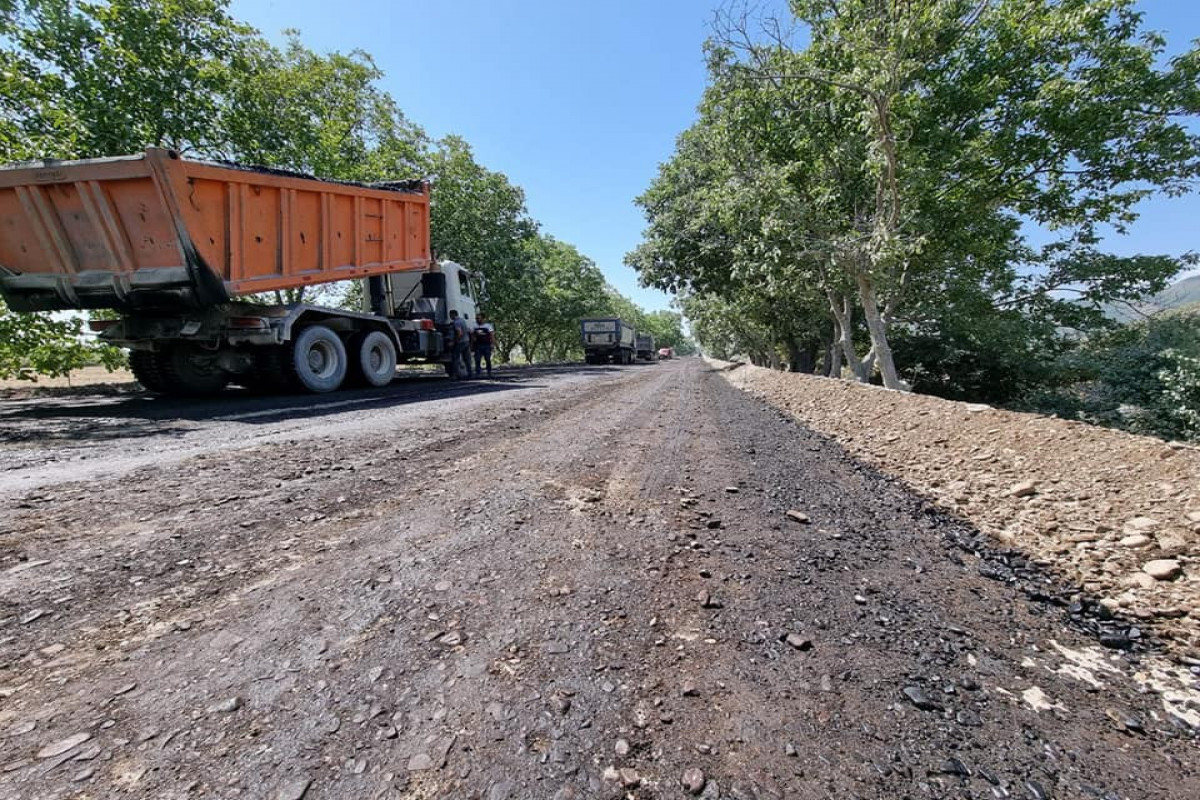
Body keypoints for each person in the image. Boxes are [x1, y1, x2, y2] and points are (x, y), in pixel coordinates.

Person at [449, 309, 471, 380]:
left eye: (450, 315)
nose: (450, 317)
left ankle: (455, 375)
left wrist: (454, 341)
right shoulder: (462, 321)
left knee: (455, 358)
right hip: (466, 341)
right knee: (466, 359)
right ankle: (470, 374)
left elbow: (459, 333)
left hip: (461, 342)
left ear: (453, 315)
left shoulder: (456, 323)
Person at [473, 312, 495, 378]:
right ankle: (478, 373)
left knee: (487, 359)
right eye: (476, 318)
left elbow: (492, 335)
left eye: (479, 318)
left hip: (487, 345)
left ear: (483, 319)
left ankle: (489, 372)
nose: (477, 320)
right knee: (477, 359)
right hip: (478, 345)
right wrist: (472, 344)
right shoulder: (475, 326)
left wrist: (492, 344)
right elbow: (473, 335)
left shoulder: (488, 326)